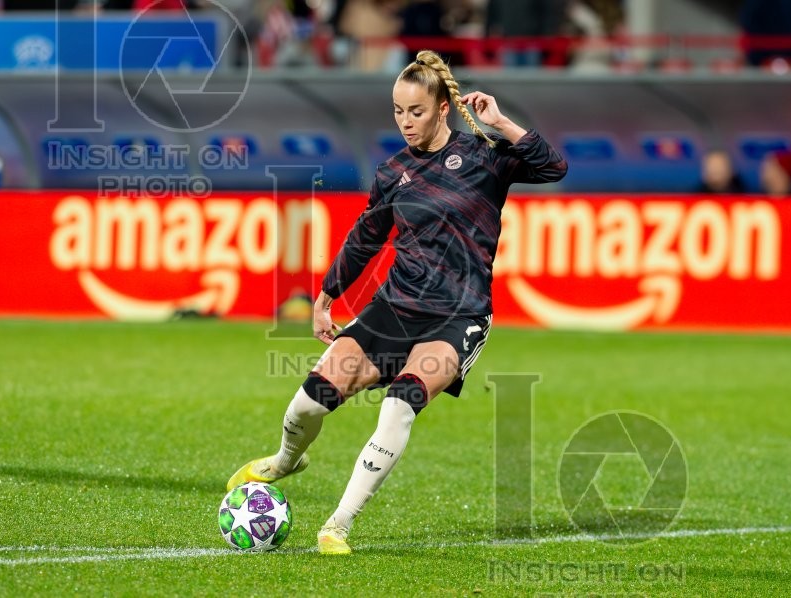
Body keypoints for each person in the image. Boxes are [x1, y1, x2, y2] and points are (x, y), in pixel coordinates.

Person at [226, 49, 567, 555]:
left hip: (459, 315)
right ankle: (283, 461)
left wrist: (502, 123)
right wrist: (326, 295)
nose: (406, 122)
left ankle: (337, 525)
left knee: (400, 402)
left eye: (417, 112)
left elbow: (554, 166)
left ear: (442, 109)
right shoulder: (394, 172)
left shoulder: (485, 155)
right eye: (398, 111)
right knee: (311, 399)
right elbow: (365, 238)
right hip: (393, 307)